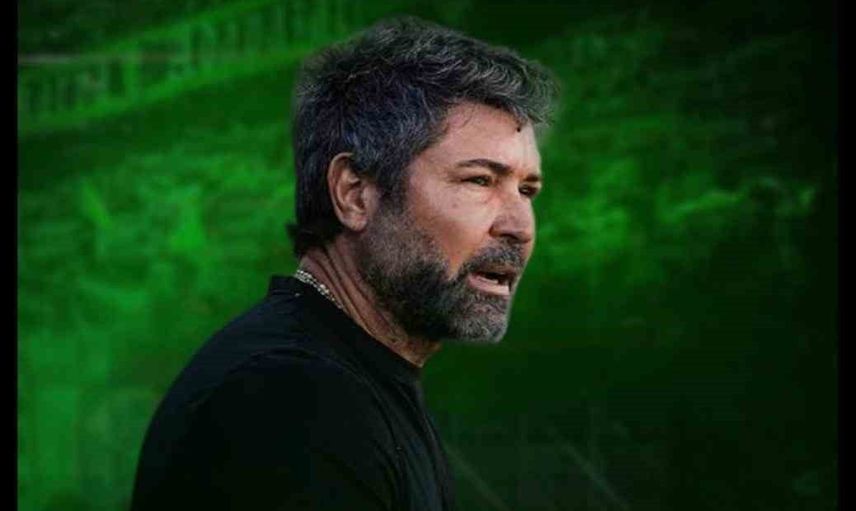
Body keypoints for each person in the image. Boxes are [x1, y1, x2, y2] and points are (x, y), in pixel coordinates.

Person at [130, 15, 556, 511]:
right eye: (480, 180)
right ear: (355, 194)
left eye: (527, 190)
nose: (520, 225)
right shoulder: (290, 403)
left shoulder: (354, 379)